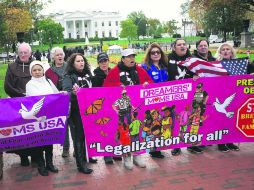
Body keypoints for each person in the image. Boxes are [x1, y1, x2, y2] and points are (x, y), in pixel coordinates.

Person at [103, 48, 153, 170]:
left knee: (136, 132)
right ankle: (126, 157)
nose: (132, 59)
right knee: (125, 134)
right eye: (129, 57)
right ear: (123, 59)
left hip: (137, 109)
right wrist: (117, 87)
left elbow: (150, 82)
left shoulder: (139, 70)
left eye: (133, 56)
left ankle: (137, 155)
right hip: (123, 110)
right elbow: (106, 88)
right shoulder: (115, 71)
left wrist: (147, 84)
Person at [167, 39, 203, 155]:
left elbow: (201, 74)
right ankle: (177, 145)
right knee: (178, 121)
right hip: (175, 94)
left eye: (184, 44)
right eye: (179, 45)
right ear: (174, 47)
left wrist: (197, 76)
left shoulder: (193, 60)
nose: (182, 46)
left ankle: (192, 144)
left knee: (192, 120)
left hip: (191, 94)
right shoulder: (168, 59)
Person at [26, 60, 59, 176]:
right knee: (39, 141)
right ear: (31, 72)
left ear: (43, 70)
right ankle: (41, 165)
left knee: (49, 141)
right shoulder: (29, 84)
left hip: (49, 117)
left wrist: (63, 94)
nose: (37, 72)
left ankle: (50, 163)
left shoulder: (48, 81)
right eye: (34, 70)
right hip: (37, 118)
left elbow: (57, 94)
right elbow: (37, 99)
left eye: (39, 69)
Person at [4, 42, 35, 166]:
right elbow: (8, 86)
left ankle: (35, 155)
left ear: (30, 53)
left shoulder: (35, 65)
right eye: (21, 52)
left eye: (25, 52)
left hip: (33, 103)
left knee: (34, 131)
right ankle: (23, 156)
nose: (23, 55)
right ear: (18, 53)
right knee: (20, 132)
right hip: (17, 104)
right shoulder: (11, 67)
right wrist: (21, 95)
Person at [62, 53, 93, 174]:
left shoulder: (88, 74)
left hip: (89, 110)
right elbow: (67, 91)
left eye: (82, 60)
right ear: (72, 64)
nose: (81, 63)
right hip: (76, 111)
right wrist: (74, 94)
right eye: (78, 61)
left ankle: (86, 157)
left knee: (87, 135)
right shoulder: (68, 76)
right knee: (79, 137)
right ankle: (81, 165)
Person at [92, 52, 122, 164]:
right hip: (103, 107)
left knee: (116, 129)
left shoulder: (115, 73)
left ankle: (116, 151)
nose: (103, 63)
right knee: (105, 130)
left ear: (108, 61)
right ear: (98, 63)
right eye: (101, 61)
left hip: (115, 105)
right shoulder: (95, 77)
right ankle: (107, 154)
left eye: (105, 61)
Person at [141, 42, 168, 158]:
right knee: (152, 125)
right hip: (151, 102)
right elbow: (140, 82)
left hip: (163, 101)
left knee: (160, 124)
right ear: (149, 55)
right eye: (153, 53)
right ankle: (152, 149)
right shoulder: (145, 67)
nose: (156, 54)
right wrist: (144, 84)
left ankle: (158, 147)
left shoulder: (164, 67)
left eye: (158, 52)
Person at [45, 47, 70, 158]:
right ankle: (65, 148)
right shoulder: (49, 72)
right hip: (57, 102)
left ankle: (78, 147)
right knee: (63, 124)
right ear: (53, 57)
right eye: (57, 55)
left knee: (73, 124)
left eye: (61, 54)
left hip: (70, 99)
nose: (60, 56)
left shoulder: (70, 67)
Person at [215, 43, 240, 152]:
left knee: (232, 120)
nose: (225, 51)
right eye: (223, 49)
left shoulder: (238, 65)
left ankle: (230, 141)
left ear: (231, 52)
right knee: (220, 119)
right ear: (220, 52)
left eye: (227, 49)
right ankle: (220, 143)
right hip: (220, 94)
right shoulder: (216, 65)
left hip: (234, 94)